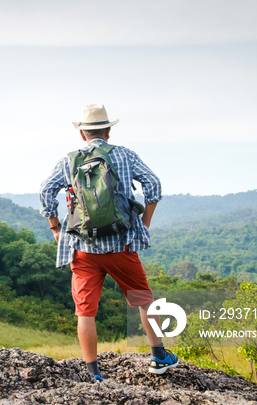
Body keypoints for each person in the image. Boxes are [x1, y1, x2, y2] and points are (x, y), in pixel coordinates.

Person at [39, 103, 178, 382]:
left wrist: (55, 228)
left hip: (84, 250)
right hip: (122, 247)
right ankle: (159, 356)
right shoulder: (124, 155)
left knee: (86, 311)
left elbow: (45, 192)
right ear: (109, 131)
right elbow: (154, 185)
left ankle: (93, 373)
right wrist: (145, 222)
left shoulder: (68, 161)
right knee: (142, 300)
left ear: (82, 134)